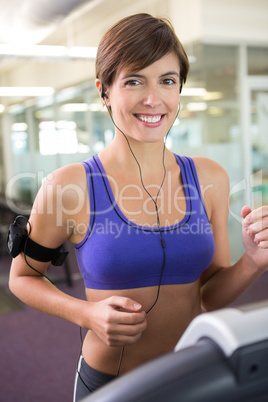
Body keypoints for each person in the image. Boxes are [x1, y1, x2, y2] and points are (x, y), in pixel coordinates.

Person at [9, 13, 268, 402]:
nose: (153, 99)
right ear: (104, 91)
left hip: (193, 375)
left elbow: (208, 295)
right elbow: (22, 278)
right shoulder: (68, 186)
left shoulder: (210, 177)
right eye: (134, 80)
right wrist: (87, 315)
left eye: (167, 80)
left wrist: (252, 261)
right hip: (112, 384)